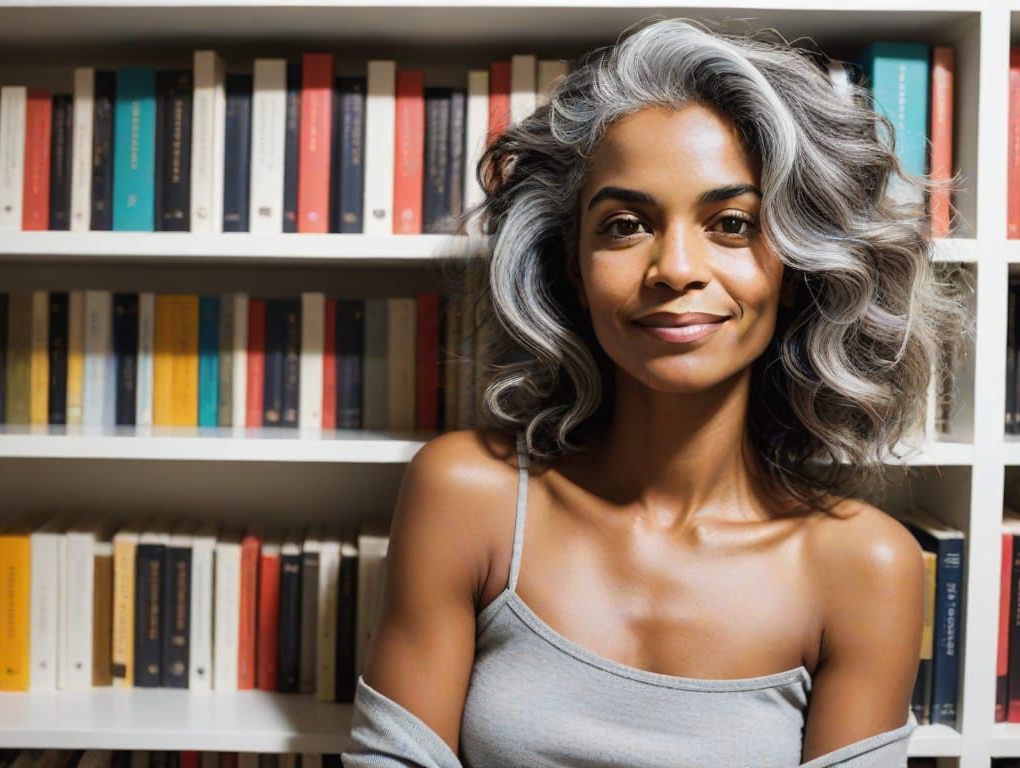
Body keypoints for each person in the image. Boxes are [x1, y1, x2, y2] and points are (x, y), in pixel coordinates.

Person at [344, 14, 969, 768]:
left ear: (796, 269)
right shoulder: (466, 496)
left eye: (731, 223)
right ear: (573, 267)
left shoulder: (867, 565)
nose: (675, 268)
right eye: (625, 225)